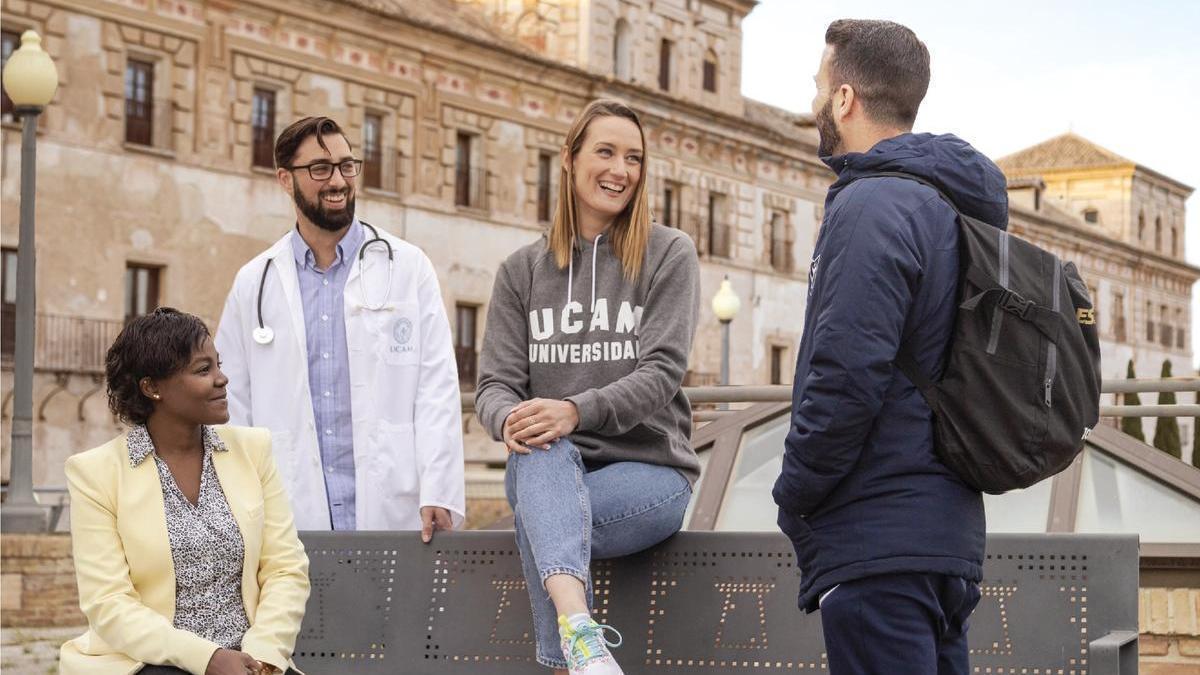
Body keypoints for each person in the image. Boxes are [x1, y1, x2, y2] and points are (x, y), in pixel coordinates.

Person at [771, 19, 1003, 675]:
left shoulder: (871, 203)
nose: (815, 104)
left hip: (878, 538)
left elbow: (844, 376)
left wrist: (796, 492)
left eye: (820, 88)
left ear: (844, 99)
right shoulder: (951, 203)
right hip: (942, 535)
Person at [475, 99, 700, 675]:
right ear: (570, 159)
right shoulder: (521, 271)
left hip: (650, 476)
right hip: (552, 467)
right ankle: (583, 640)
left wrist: (574, 410)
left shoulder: (668, 253)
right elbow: (495, 384)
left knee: (538, 503)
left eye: (634, 158)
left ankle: (563, 654)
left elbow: (662, 372)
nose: (620, 170)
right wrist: (512, 420)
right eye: (605, 152)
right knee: (540, 453)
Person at [215, 116, 465, 535]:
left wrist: (439, 487)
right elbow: (230, 403)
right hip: (288, 509)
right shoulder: (253, 282)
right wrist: (237, 500)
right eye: (320, 169)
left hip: (395, 504)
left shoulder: (408, 267)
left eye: (347, 166)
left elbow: (436, 384)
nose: (338, 181)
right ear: (284, 179)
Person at [60, 308, 309, 675]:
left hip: (251, 661)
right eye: (202, 370)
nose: (222, 379)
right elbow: (109, 603)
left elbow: (285, 570)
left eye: (218, 365)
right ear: (152, 387)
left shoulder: (253, 451)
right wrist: (208, 659)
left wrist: (265, 656)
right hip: (150, 662)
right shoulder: (96, 474)